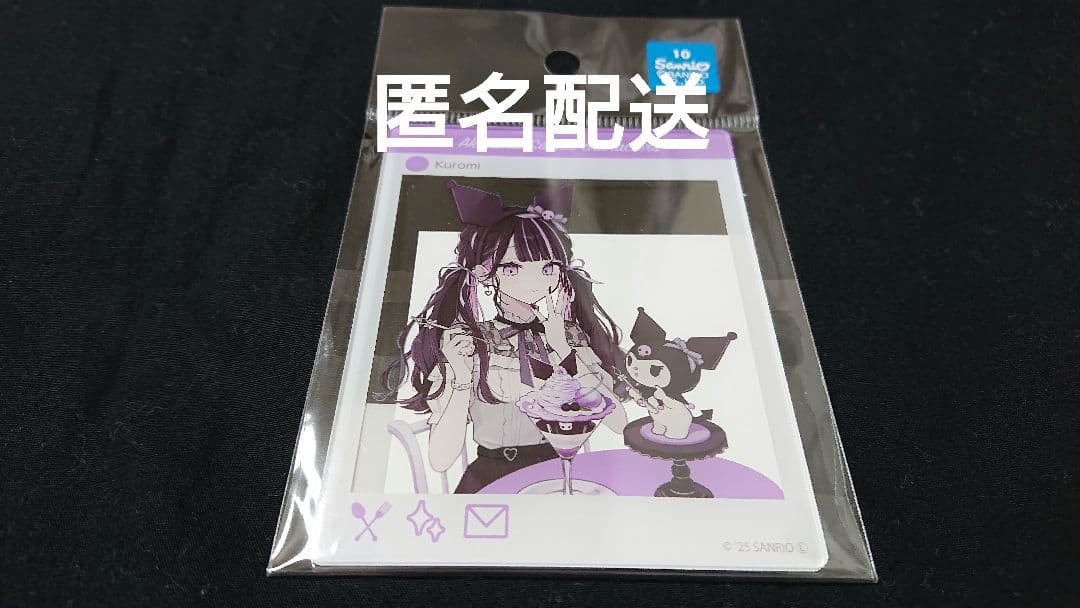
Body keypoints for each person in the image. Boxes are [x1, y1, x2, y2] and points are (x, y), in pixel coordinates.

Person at [381, 180, 627, 493]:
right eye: (512, 268)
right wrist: (460, 378)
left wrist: (563, 350)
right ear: (485, 272)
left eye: (548, 268)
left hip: (555, 475)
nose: (533, 280)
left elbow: (620, 424)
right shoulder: (471, 342)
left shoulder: (568, 336)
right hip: (491, 476)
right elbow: (440, 460)